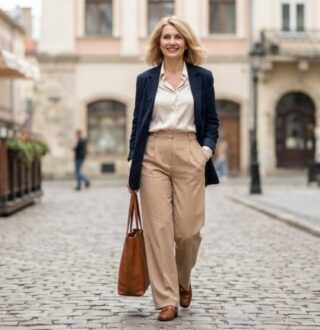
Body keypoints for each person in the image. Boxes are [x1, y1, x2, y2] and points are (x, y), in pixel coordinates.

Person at [127, 16, 219, 321]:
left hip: (189, 150)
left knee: (189, 231)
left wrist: (204, 151)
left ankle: (183, 280)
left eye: (178, 37)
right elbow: (137, 123)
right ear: (159, 43)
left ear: (186, 42)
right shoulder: (146, 79)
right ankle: (166, 299)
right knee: (159, 231)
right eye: (166, 37)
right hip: (152, 153)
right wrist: (134, 165)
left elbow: (213, 121)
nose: (172, 42)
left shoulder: (202, 77)